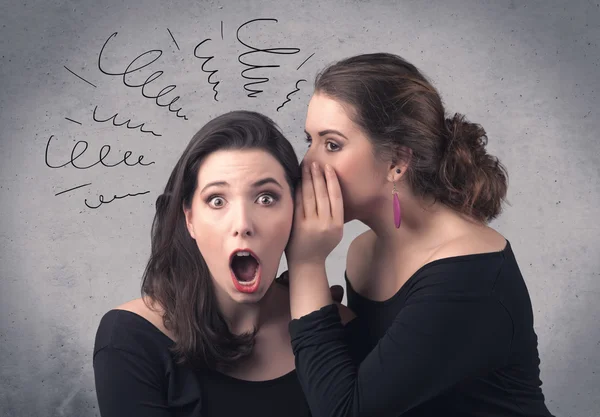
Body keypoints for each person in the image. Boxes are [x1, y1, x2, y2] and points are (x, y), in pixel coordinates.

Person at [285, 53, 555, 417]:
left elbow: (345, 411)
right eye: (309, 141)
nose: (308, 165)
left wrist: (305, 263)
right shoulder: (364, 253)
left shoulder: (469, 274)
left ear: (398, 161)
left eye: (332, 144)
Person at [92, 110, 351, 417]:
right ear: (190, 220)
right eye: (217, 200)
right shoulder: (130, 339)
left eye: (266, 198)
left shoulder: (343, 331)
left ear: (296, 211)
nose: (242, 224)